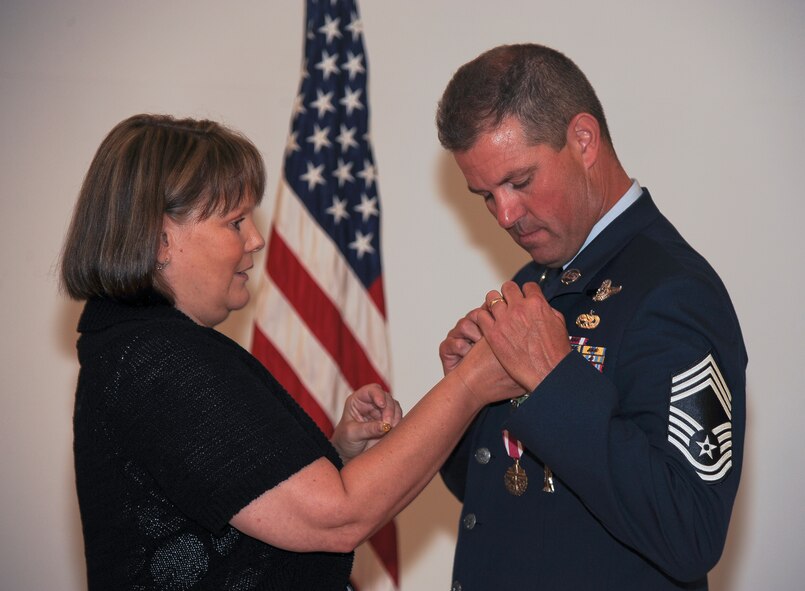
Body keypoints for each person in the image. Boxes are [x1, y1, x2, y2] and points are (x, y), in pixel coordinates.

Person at [59, 114, 537, 590]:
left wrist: (337, 457)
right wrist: (472, 382)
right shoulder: (157, 360)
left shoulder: (140, 349)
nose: (256, 239)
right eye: (235, 222)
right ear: (161, 239)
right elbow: (336, 519)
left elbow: (248, 523)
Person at [436, 44, 746, 590]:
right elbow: (510, 498)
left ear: (583, 140)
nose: (504, 215)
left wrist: (555, 382)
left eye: (519, 181)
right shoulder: (539, 281)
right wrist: (467, 397)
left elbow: (690, 531)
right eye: (485, 195)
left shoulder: (675, 291)